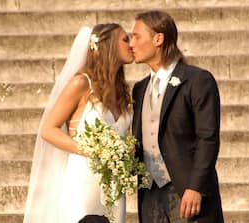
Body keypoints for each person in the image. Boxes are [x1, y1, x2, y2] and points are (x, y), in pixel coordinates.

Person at [23, 23, 133, 223]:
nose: (131, 44)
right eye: (125, 39)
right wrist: (92, 149)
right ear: (108, 45)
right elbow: (49, 129)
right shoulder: (82, 84)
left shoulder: (122, 91)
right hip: (83, 180)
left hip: (113, 186)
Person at [130, 10, 224, 223]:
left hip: (186, 193)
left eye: (137, 36)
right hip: (149, 195)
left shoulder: (197, 80)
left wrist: (195, 187)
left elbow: (207, 138)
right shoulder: (139, 88)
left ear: (158, 38)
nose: (131, 44)